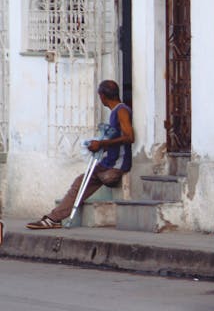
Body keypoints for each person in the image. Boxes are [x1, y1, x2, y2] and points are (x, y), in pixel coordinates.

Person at [27, 80, 134, 230]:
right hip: (108, 163)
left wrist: (102, 144)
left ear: (102, 96)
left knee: (81, 183)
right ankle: (54, 218)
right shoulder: (116, 111)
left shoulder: (121, 110)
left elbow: (130, 137)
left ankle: (53, 219)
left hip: (116, 166)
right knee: (80, 182)